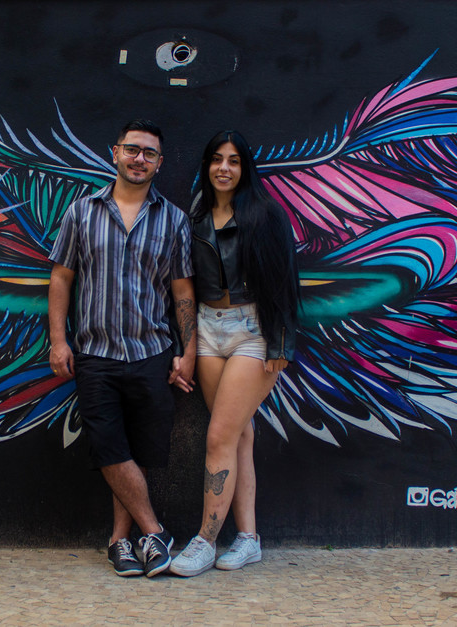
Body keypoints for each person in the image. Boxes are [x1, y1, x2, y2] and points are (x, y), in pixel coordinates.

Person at [47, 119, 197, 578]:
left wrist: (188, 351)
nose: (139, 159)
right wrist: (58, 340)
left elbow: (182, 291)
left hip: (151, 352)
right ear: (115, 153)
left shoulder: (173, 219)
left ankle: (121, 542)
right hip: (95, 353)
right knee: (109, 447)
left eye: (149, 153)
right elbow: (61, 277)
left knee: (139, 452)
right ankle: (156, 532)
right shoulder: (81, 212)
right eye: (132, 149)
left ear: (160, 163)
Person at [169, 130, 299, 577]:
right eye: (217, 160)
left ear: (245, 168)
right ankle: (248, 539)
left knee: (219, 437)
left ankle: (204, 541)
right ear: (207, 165)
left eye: (234, 161)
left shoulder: (265, 214)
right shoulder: (196, 216)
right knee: (239, 435)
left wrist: (281, 343)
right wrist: (187, 346)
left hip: (252, 331)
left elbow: (284, 281)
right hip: (208, 330)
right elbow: (184, 288)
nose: (224, 168)